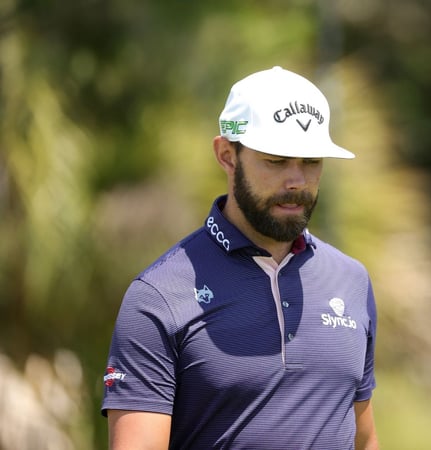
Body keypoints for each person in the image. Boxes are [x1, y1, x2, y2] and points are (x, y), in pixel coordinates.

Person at [101, 66, 379, 450]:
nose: (296, 180)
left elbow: (363, 439)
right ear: (227, 155)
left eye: (311, 161)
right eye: (277, 161)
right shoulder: (158, 295)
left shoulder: (352, 280)